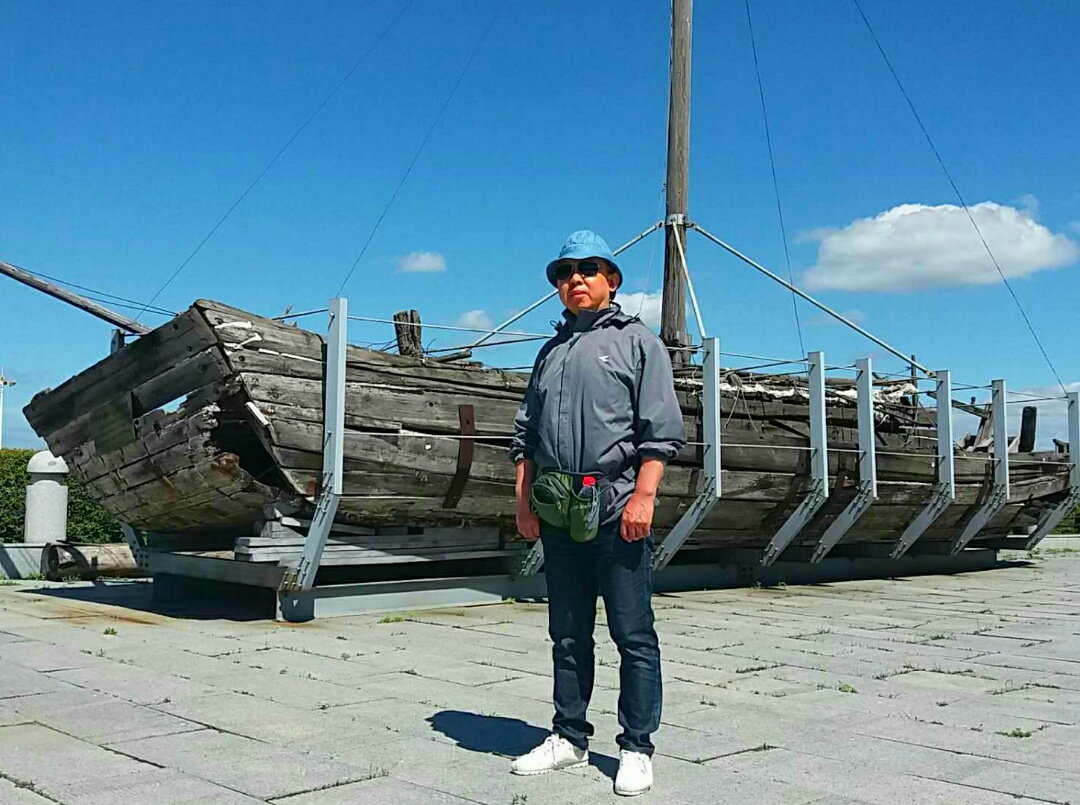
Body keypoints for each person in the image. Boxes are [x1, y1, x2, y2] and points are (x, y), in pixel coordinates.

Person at [507, 230, 686, 797]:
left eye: (587, 269)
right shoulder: (550, 352)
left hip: (615, 509)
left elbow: (660, 433)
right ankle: (569, 736)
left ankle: (636, 747)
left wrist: (644, 497)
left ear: (612, 279)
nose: (575, 279)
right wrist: (524, 504)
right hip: (559, 512)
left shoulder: (638, 343)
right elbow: (525, 436)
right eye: (565, 272)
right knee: (566, 633)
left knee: (632, 634)